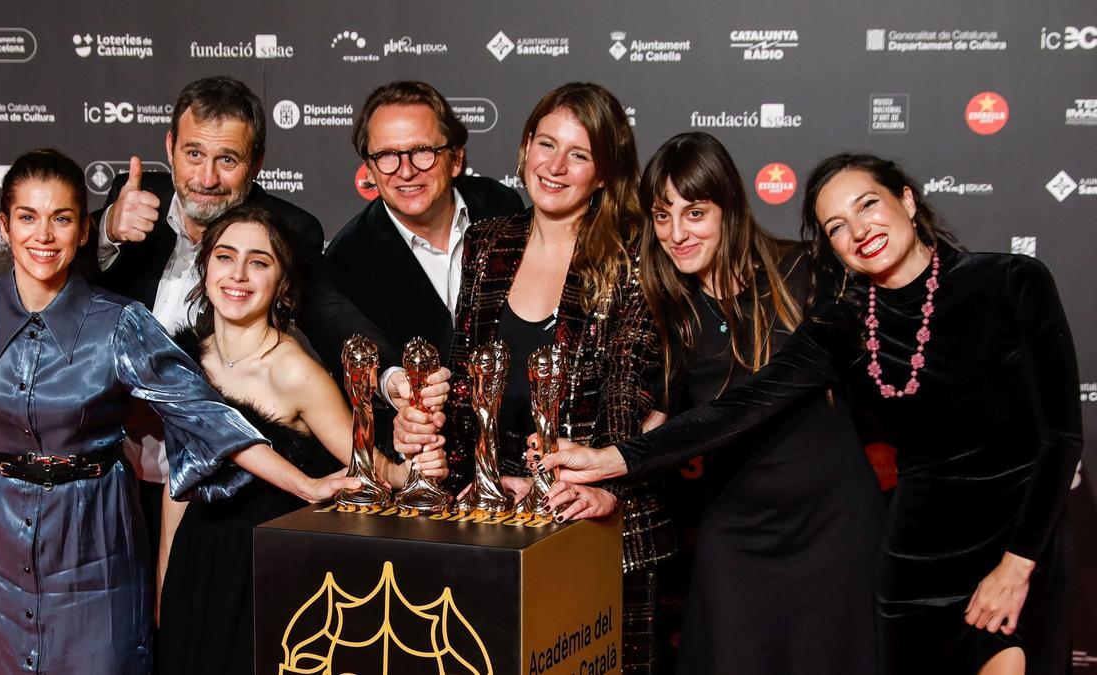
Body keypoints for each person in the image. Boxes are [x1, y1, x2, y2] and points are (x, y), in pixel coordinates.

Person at [539, 153, 1082, 675]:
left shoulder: (1013, 282)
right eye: (836, 226)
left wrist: (1018, 564)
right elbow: (739, 407)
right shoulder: (844, 324)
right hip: (915, 562)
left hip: (1015, 541)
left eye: (868, 205)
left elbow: (1060, 437)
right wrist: (612, 458)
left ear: (908, 201)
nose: (859, 230)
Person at [0, 149, 357, 675]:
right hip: (0, 543)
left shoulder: (122, 324)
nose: (43, 236)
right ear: (5, 225)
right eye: (27, 217)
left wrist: (306, 485)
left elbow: (206, 417)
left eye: (62, 218)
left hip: (96, 539)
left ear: (84, 230)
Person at [395, 82, 674, 674]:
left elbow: (634, 405)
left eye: (579, 154)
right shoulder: (489, 244)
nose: (555, 165)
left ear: (602, 173)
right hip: (493, 532)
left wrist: (562, 489)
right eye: (546, 144)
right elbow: (471, 386)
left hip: (596, 535)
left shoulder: (633, 256)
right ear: (523, 149)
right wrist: (445, 444)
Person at [85, 75, 387, 600]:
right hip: (119, 476)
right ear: (169, 149)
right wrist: (107, 228)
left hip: (225, 498)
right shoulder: (133, 203)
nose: (206, 177)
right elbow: (50, 248)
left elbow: (330, 313)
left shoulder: (289, 228)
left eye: (228, 159)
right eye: (193, 153)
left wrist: (386, 376)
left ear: (258, 161)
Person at [158, 204, 447, 675]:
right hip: (199, 566)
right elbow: (180, 480)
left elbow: (369, 466)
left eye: (259, 262)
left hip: (267, 571)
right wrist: (166, 577)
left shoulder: (295, 371)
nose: (239, 275)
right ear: (205, 267)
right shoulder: (186, 360)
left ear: (282, 283)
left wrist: (414, 466)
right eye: (226, 257)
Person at [634, 133, 881, 674]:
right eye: (661, 216)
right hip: (737, 532)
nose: (676, 234)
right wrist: (604, 462)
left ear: (729, 207)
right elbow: (663, 417)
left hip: (834, 525)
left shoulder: (805, 272)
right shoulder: (670, 310)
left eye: (694, 212)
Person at [320, 80, 523, 448]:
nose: (406, 171)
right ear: (369, 167)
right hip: (429, 453)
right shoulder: (348, 257)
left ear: (456, 158)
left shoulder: (501, 206)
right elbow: (359, 350)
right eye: (387, 156)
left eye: (422, 151)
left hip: (520, 440)